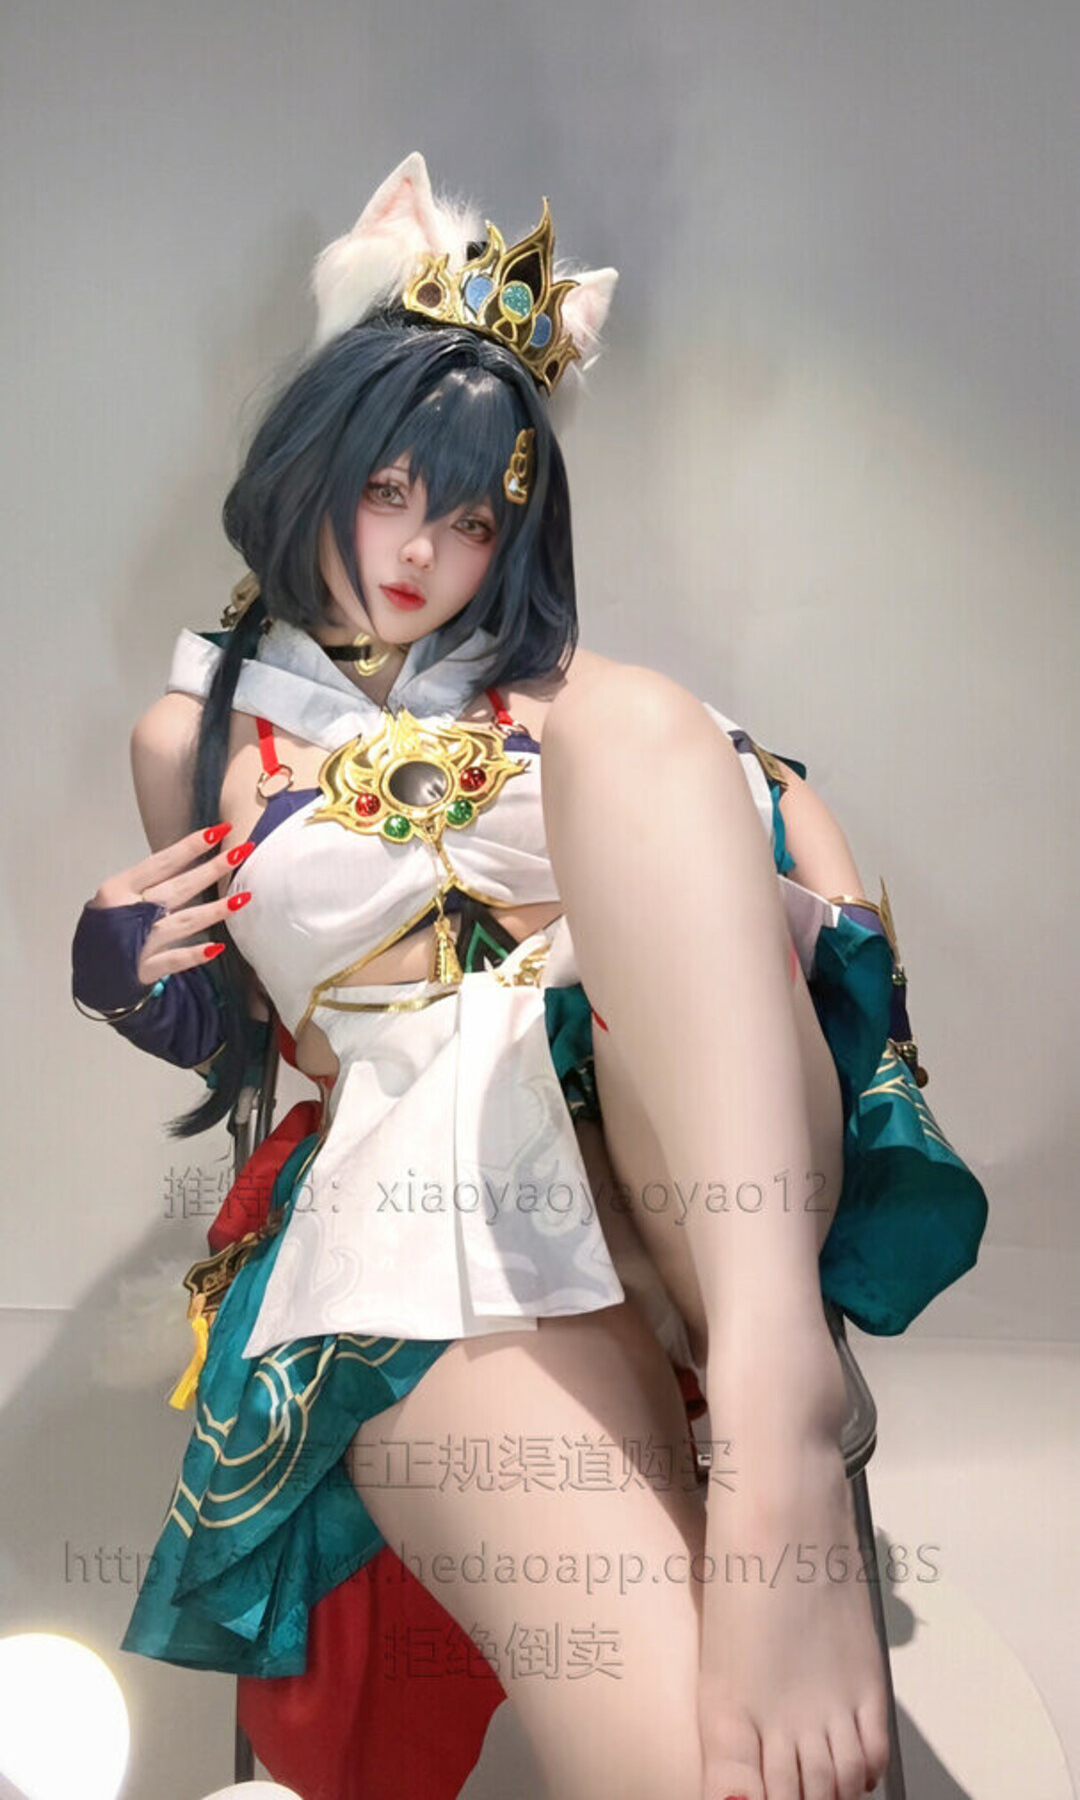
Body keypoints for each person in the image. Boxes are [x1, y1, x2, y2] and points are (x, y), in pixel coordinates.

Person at [72, 152, 987, 1800]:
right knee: (707, 1769)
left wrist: (869, 1012)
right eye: (391, 488)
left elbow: (792, 825)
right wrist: (142, 986)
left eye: (475, 517)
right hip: (427, 1203)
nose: (425, 546)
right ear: (316, 461)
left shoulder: (570, 702)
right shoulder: (194, 740)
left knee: (638, 729)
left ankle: (773, 1388)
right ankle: (757, 1413)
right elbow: (252, 1033)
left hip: (684, 1149)